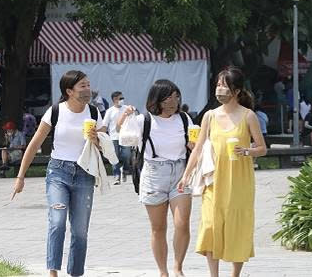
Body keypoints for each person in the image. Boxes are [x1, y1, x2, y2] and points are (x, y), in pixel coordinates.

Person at [11, 70, 103, 277]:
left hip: (84, 174)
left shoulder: (94, 113)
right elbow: (34, 145)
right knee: (58, 221)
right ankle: (53, 272)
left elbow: (105, 147)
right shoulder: (55, 112)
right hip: (58, 173)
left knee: (80, 231)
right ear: (69, 91)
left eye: (88, 85)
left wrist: (96, 138)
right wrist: (20, 177)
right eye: (83, 86)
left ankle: (75, 273)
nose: (87, 89)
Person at [178, 66, 266, 277]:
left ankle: (234, 274)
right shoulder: (210, 116)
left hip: (239, 181)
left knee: (237, 226)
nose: (219, 89)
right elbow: (198, 148)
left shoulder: (248, 116)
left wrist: (246, 151)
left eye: (224, 86)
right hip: (214, 181)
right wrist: (186, 175)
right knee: (210, 225)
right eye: (218, 85)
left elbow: (262, 148)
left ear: (236, 91)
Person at [116, 80, 193, 277]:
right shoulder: (145, 120)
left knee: (182, 223)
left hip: (180, 173)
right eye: (168, 97)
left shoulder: (183, 119)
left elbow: (195, 141)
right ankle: (163, 271)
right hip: (153, 173)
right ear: (157, 99)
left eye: (176, 96)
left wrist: (194, 145)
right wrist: (126, 116)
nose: (173, 101)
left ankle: (178, 267)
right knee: (158, 228)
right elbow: (124, 138)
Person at [103, 91, 131, 185]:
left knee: (127, 154)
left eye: (123, 98)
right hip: (114, 136)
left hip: (125, 136)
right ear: (115, 99)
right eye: (120, 98)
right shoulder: (110, 111)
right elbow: (105, 124)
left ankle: (125, 168)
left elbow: (132, 119)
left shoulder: (127, 108)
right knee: (114, 156)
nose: (122, 100)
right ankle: (116, 175)